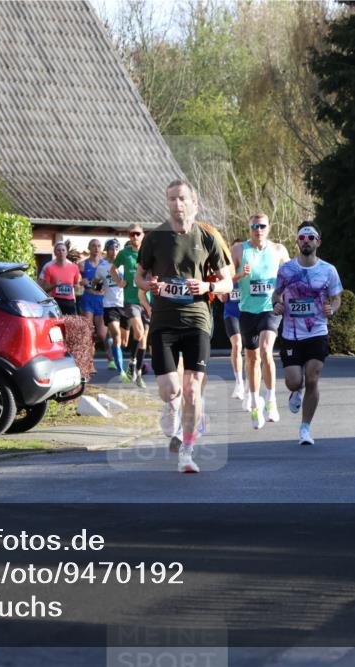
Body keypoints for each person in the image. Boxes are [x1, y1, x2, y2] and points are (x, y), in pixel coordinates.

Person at [136, 180, 232, 474]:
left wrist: (206, 285)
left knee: (192, 389)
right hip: (164, 322)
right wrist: (149, 284)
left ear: (194, 203)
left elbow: (227, 282)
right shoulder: (154, 238)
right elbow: (139, 278)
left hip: (197, 320)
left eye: (181, 199)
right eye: (171, 199)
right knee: (171, 389)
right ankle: (170, 405)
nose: (176, 204)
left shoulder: (207, 237)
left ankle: (187, 451)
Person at [272, 222, 342, 446]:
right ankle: (296, 391)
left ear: (318, 242)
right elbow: (276, 293)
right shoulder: (286, 270)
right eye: (302, 237)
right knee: (294, 381)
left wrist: (332, 308)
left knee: (312, 378)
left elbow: (337, 296)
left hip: (317, 331)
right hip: (291, 333)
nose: (306, 241)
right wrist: (277, 305)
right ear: (297, 241)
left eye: (310, 238)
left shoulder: (328, 270)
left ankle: (305, 428)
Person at [233, 213, 291, 429]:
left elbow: (292, 275)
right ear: (249, 228)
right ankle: (256, 403)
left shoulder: (278, 250)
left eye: (262, 226)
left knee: (266, 350)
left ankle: (271, 399)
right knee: (252, 358)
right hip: (247, 310)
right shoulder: (239, 250)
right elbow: (227, 277)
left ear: (269, 228)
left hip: (271, 308)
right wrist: (240, 274)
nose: (258, 229)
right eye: (254, 226)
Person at [112, 224, 148, 387]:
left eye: (137, 234)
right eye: (132, 234)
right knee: (138, 331)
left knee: (143, 339)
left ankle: (138, 372)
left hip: (147, 300)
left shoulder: (148, 253)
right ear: (129, 236)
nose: (134, 237)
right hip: (131, 300)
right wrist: (119, 281)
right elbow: (113, 269)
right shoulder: (124, 253)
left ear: (143, 235)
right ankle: (133, 361)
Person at [98, 239, 128, 379]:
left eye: (117, 249)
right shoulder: (102, 267)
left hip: (125, 304)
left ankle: (113, 347)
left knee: (124, 341)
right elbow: (95, 283)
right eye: (111, 249)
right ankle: (121, 370)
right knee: (116, 334)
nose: (114, 251)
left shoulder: (124, 265)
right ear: (107, 250)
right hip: (110, 305)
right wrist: (96, 286)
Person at [220, 238, 246, 399]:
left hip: (249, 313)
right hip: (231, 313)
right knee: (237, 344)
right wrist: (231, 280)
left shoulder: (249, 271)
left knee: (252, 351)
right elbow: (222, 298)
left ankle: (250, 381)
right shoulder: (225, 273)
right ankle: (239, 382)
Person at [78, 239, 109, 350]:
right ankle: (89, 361)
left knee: (102, 334)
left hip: (101, 299)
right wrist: (81, 282)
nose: (96, 248)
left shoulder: (106, 264)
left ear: (101, 248)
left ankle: (109, 357)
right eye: (94, 246)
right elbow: (76, 282)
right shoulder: (82, 264)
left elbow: (111, 281)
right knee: (87, 330)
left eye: (99, 246)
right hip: (88, 299)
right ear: (89, 248)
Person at [39, 241, 80, 315]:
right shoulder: (49, 268)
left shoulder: (74, 267)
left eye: (63, 250)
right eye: (58, 250)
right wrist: (55, 285)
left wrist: (79, 288)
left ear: (66, 253)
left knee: (71, 325)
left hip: (70, 302)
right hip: (56, 301)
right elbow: (44, 289)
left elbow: (76, 286)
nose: (61, 252)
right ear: (55, 253)